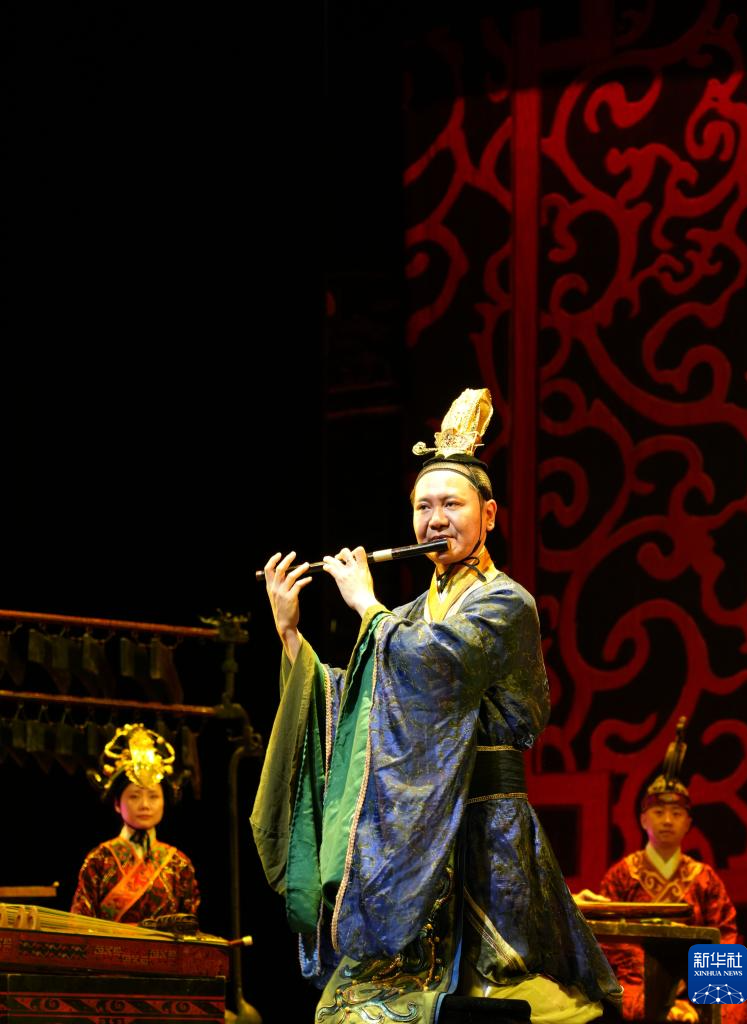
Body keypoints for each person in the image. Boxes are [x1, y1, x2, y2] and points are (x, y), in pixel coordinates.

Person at [251, 388, 621, 1023]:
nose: (436, 520)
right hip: (415, 833)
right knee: (355, 1009)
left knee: (509, 996)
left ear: (490, 515)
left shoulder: (507, 602)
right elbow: (358, 697)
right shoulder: (407, 615)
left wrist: (368, 607)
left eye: (453, 504)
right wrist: (290, 633)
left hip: (485, 826)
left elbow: (437, 666)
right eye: (424, 507)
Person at [596, 720, 747, 1024]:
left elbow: (725, 936)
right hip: (635, 979)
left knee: (731, 1009)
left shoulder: (704, 877)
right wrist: (657, 988)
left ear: (688, 823)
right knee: (620, 1004)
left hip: (697, 979)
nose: (667, 820)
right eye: (658, 812)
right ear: (643, 819)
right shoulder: (622, 874)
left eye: (677, 813)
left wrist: (693, 992)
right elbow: (607, 941)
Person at [70, 722, 200, 924]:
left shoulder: (179, 864)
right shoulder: (99, 860)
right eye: (134, 796)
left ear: (164, 802)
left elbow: (189, 926)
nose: (145, 805)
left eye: (153, 796)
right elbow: (80, 923)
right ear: (117, 803)